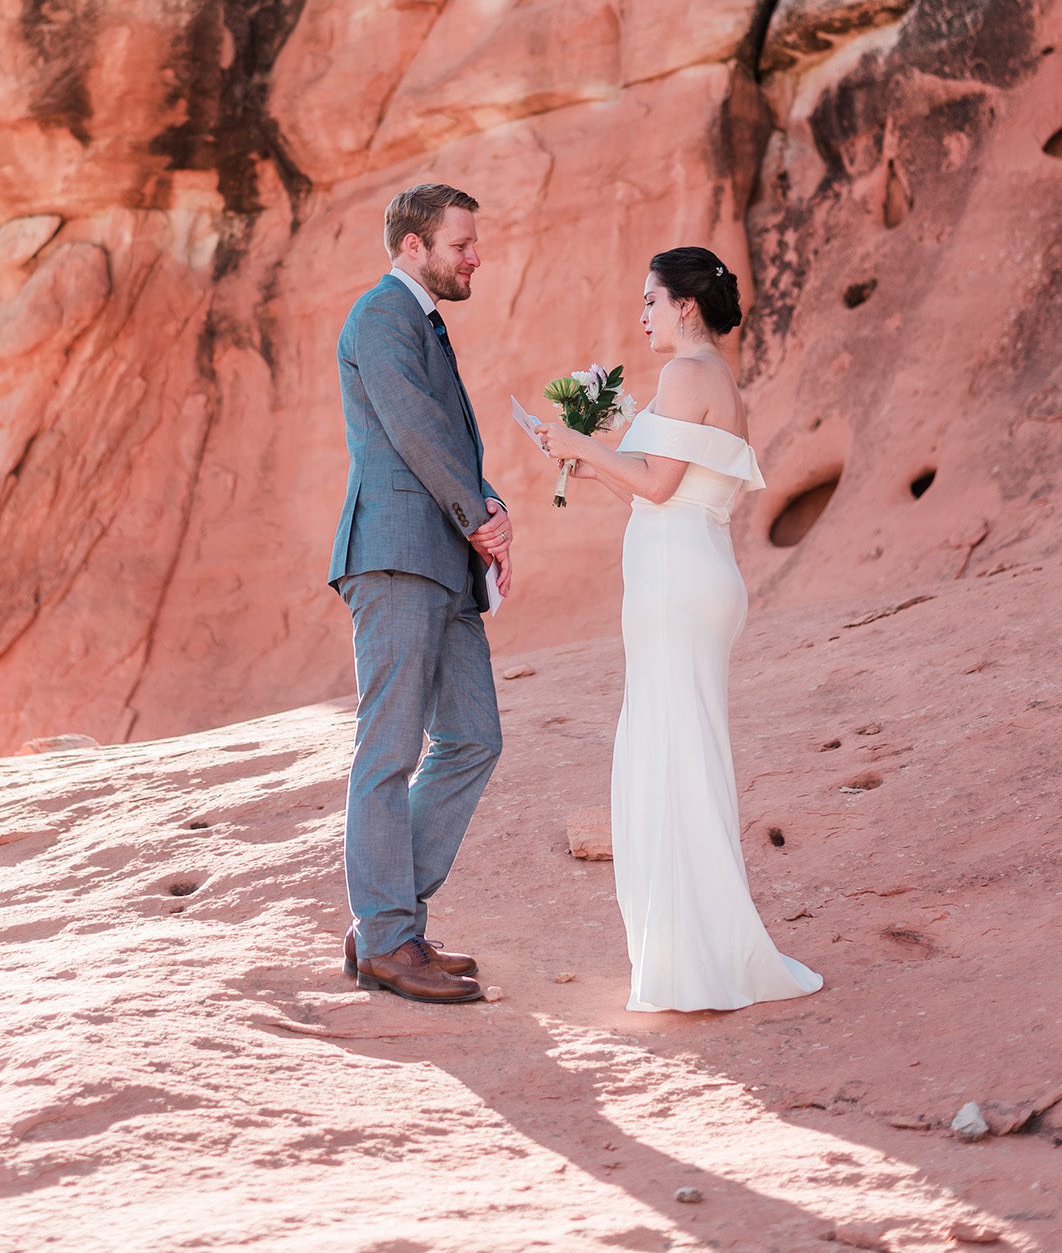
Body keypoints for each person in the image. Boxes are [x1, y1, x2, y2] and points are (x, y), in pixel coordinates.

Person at [535, 245, 822, 1013]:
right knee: (681, 749)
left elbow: (658, 486)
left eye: (651, 301)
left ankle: (694, 960)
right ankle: (700, 945)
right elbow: (664, 479)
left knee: (671, 753)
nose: (643, 316)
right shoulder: (716, 381)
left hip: (677, 581)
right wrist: (589, 455)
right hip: (696, 572)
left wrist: (580, 446)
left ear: (686, 306)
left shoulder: (686, 374)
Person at [329, 183, 513, 1003]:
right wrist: (479, 516)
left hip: (444, 561)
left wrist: (489, 505)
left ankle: (388, 922)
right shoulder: (383, 315)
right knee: (390, 748)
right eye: (461, 244)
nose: (475, 257)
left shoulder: (421, 322)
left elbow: (444, 442)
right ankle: (388, 937)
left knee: (472, 737)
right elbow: (411, 427)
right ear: (413, 246)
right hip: (400, 556)